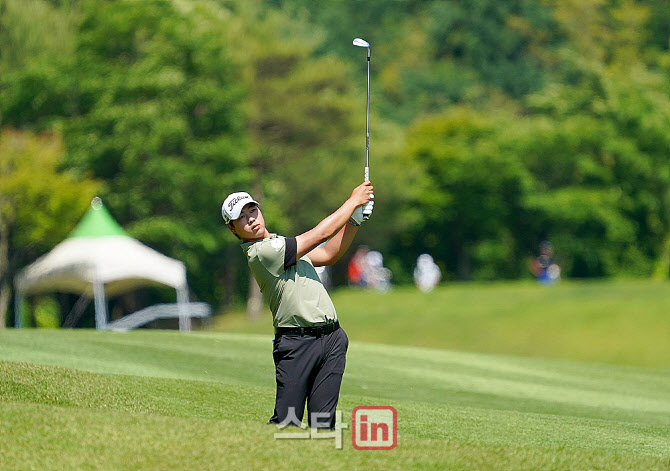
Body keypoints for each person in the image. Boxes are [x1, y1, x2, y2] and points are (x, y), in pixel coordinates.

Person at [221, 181, 374, 429]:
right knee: (286, 422)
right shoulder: (262, 253)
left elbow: (327, 255)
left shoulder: (280, 242)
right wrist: (353, 201)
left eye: (252, 210)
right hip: (296, 343)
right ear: (233, 228)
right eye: (242, 217)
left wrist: (354, 220)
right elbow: (320, 235)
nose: (250, 218)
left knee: (322, 424)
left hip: (332, 338)